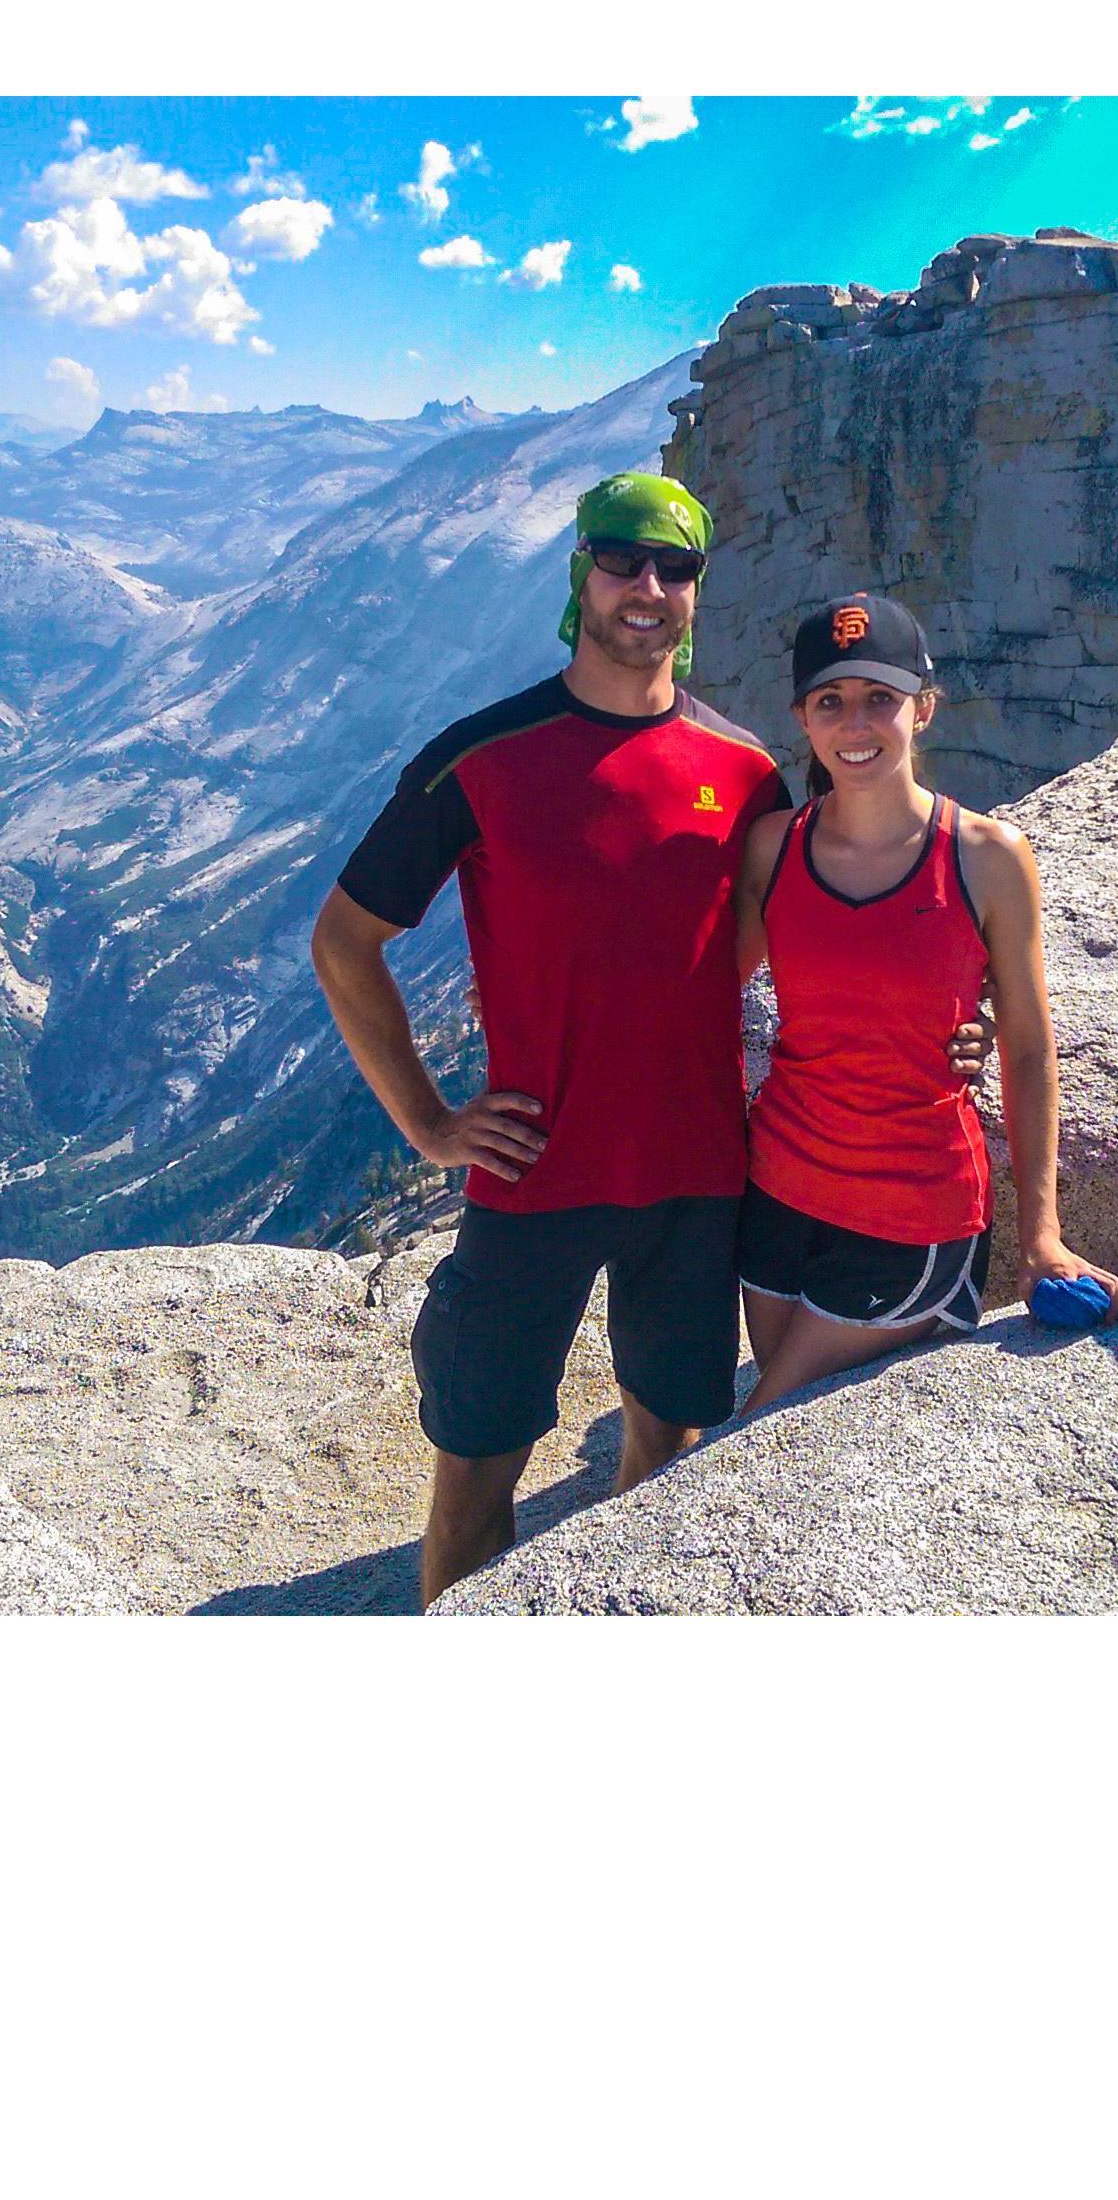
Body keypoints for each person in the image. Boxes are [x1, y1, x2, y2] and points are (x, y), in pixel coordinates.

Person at [311, 477, 988, 1605]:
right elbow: (345, 942)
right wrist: (428, 1123)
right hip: (533, 1176)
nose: (649, 587)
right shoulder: (479, 757)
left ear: (696, 593)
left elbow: (842, 922)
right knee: (477, 1476)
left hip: (695, 1176)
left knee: (665, 1460)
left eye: (676, 568)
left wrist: (960, 1028)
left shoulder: (745, 775)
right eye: (623, 559)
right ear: (581, 572)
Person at [733, 590, 1118, 1414]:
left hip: (911, 1210)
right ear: (803, 718)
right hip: (775, 1191)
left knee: (762, 1421)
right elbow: (701, 992)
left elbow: (1025, 1047)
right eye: (831, 702)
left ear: (924, 708)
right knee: (794, 1445)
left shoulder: (985, 856)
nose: (857, 725)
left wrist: (1041, 1235)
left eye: (881, 699)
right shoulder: (774, 848)